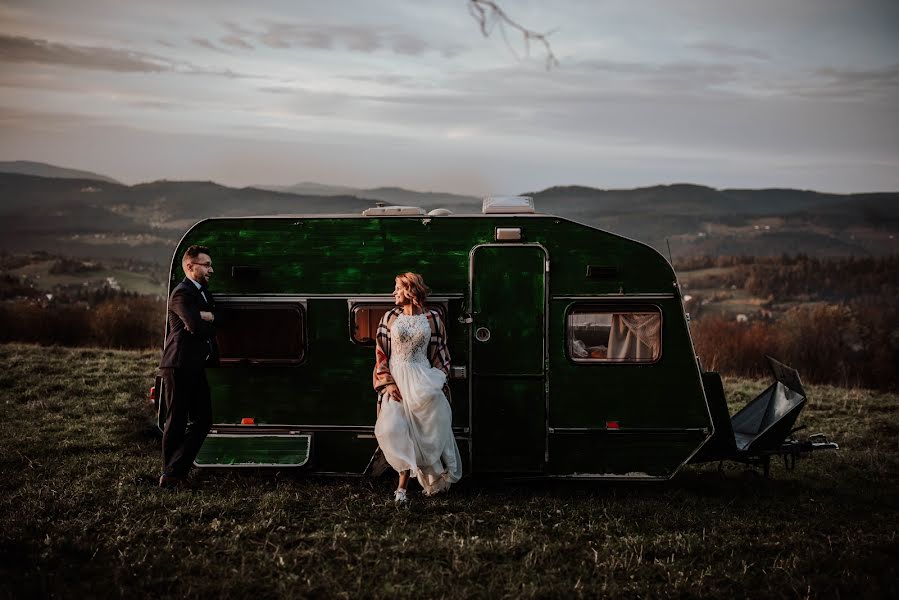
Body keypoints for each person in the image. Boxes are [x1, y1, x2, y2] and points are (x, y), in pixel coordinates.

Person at [373, 272, 462, 503]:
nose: (394, 293)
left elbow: (441, 353)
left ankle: (408, 488)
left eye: (398, 288)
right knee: (393, 429)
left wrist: (439, 379)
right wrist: (387, 382)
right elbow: (381, 353)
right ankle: (402, 484)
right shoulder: (390, 317)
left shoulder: (433, 318)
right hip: (398, 379)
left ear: (411, 290)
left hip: (422, 379)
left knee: (425, 432)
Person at [157, 245, 221, 488]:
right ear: (190, 266)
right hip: (178, 364)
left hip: (195, 364)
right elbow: (194, 326)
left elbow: (220, 318)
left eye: (210, 264)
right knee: (177, 419)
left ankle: (173, 471)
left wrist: (208, 316)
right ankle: (172, 474)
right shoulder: (181, 294)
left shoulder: (203, 292)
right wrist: (205, 318)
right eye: (206, 265)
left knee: (203, 420)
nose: (211, 270)